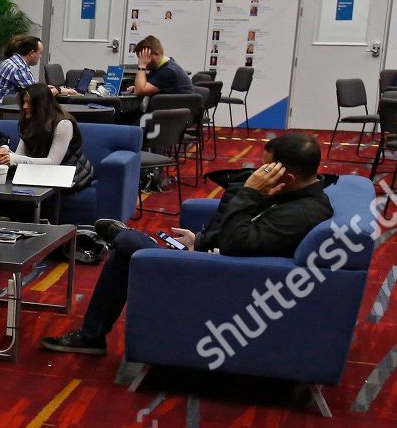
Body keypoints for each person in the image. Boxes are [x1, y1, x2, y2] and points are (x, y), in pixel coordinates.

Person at [41, 133, 333, 355]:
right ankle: (92, 336)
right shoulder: (293, 196)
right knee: (127, 252)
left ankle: (120, 239)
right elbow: (240, 232)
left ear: (289, 177)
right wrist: (202, 241)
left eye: (266, 167)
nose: (260, 172)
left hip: (223, 278)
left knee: (130, 243)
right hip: (217, 260)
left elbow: (238, 242)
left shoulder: (303, 213)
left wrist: (249, 193)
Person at [0, 83, 92, 183]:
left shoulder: (63, 124)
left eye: (28, 102)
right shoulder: (31, 122)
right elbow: (19, 155)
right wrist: (6, 151)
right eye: (24, 102)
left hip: (72, 175)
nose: (24, 106)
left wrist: (14, 159)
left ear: (40, 104)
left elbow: (53, 163)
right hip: (44, 174)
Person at [125, 35, 195, 98]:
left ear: (156, 54)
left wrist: (142, 66)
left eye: (144, 57)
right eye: (140, 58)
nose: (142, 61)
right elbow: (144, 89)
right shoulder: (160, 67)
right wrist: (138, 87)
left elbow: (141, 91)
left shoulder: (169, 71)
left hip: (172, 110)